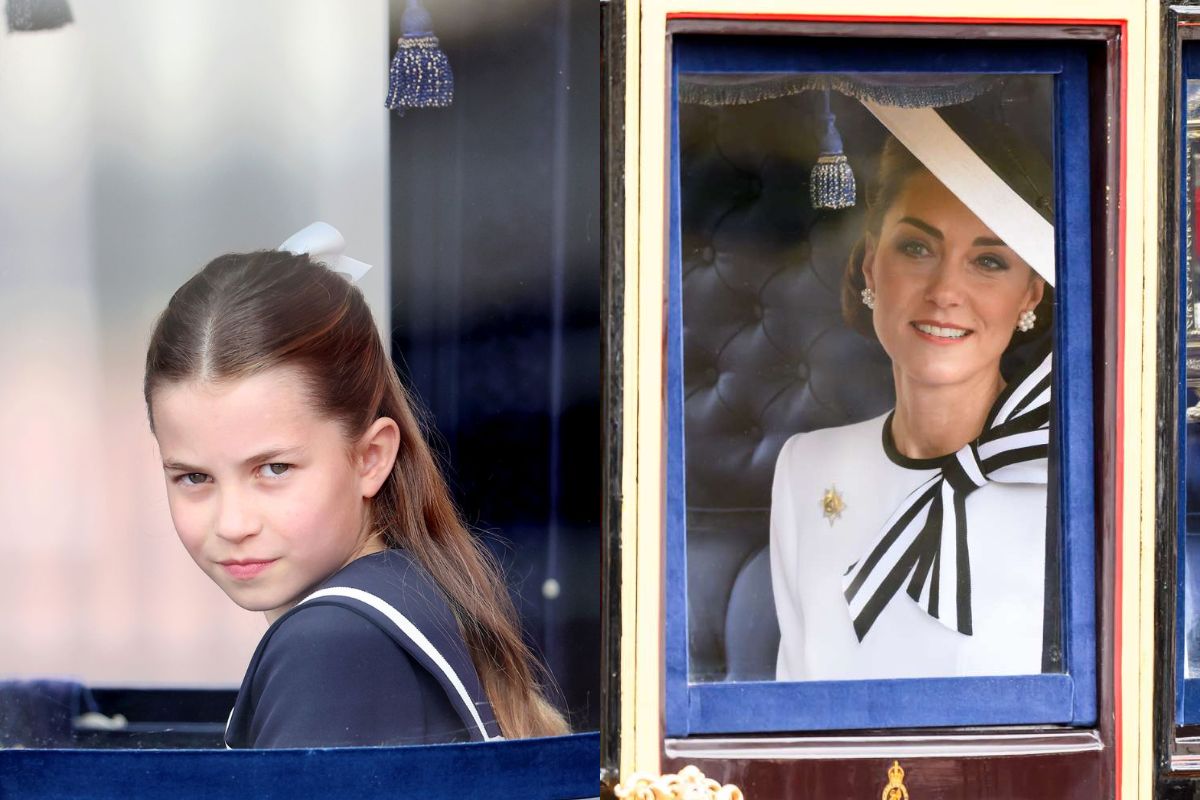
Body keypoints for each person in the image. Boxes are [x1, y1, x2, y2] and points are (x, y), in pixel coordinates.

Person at [144, 241, 569, 747]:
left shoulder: (331, 645)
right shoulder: (412, 591)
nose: (233, 524)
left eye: (274, 468)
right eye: (194, 478)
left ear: (370, 458)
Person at [770, 131, 1055, 682]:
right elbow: (793, 715)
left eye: (989, 261)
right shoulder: (805, 468)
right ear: (871, 263)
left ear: (1030, 295)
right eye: (917, 248)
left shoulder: (1068, 483)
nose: (946, 290)